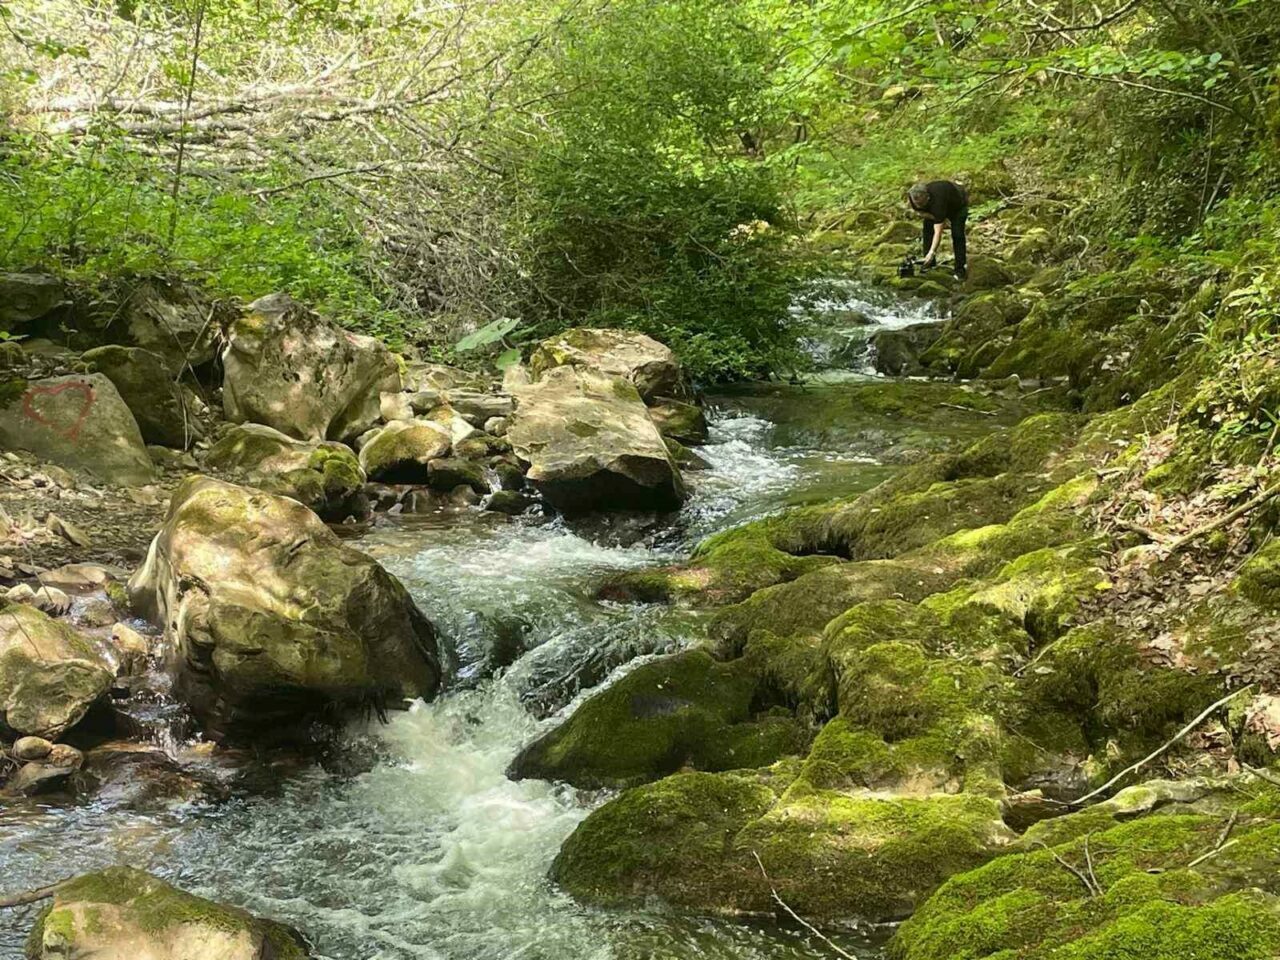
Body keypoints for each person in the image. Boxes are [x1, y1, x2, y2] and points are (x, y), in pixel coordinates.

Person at [907, 180, 968, 280]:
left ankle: (960, 269)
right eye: (916, 203)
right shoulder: (913, 196)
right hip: (935, 210)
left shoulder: (937, 202)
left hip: (958, 206)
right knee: (927, 230)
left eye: (921, 204)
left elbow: (938, 233)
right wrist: (934, 217)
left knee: (957, 235)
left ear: (927, 197)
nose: (918, 206)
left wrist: (932, 252)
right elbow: (919, 212)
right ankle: (929, 264)